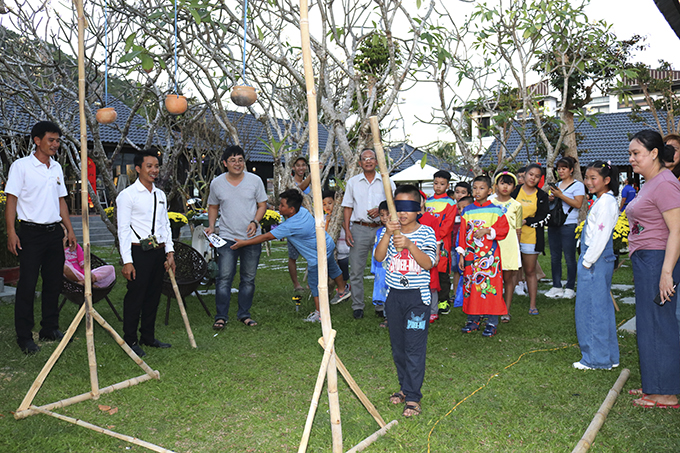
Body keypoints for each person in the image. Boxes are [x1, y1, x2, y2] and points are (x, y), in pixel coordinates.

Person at [5, 121, 77, 354]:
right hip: (30, 233)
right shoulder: (21, 166)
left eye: (58, 141)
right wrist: (12, 232)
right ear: (37, 140)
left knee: (53, 282)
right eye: (51, 140)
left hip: (53, 233)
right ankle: (24, 336)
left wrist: (70, 229)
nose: (55, 144)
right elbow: (12, 200)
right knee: (27, 284)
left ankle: (50, 328)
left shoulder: (55, 168)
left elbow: (61, 201)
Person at [231, 189, 350, 322]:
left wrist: (244, 243)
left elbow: (266, 237)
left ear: (291, 209)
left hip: (316, 256)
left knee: (314, 283)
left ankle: (320, 314)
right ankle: (342, 289)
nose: (279, 207)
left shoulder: (290, 225)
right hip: (328, 245)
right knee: (333, 268)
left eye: (282, 205)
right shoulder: (303, 212)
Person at [626, 130, 680, 408]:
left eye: (636, 153)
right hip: (646, 258)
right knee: (648, 324)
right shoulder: (651, 182)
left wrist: (667, 272)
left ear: (655, 153)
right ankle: (654, 384)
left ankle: (666, 393)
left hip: (658, 259)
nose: (632, 158)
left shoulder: (665, 183)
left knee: (660, 323)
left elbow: (677, 230)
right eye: (631, 153)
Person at [374, 184, 437, 418]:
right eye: (397, 207)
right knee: (399, 347)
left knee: (414, 347)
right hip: (394, 297)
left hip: (417, 298)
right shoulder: (386, 232)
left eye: (408, 207)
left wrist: (410, 245)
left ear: (418, 209)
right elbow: (379, 258)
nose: (402, 213)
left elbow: (429, 264)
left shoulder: (426, 232)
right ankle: (404, 387)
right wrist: (389, 234)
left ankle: (412, 397)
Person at [116, 149, 176, 357]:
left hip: (157, 251)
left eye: (157, 166)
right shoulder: (127, 196)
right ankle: (130, 339)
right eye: (149, 166)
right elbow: (122, 229)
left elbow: (164, 224)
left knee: (153, 295)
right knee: (136, 296)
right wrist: (127, 261)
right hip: (137, 251)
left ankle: (147, 336)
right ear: (138, 169)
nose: (154, 170)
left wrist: (170, 251)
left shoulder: (160, 195)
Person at [206, 145, 267, 329]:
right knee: (224, 277)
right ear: (225, 163)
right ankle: (221, 316)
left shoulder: (255, 181)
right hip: (226, 237)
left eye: (240, 159)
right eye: (232, 160)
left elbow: (262, 205)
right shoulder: (217, 183)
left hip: (251, 238)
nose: (237, 163)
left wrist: (255, 222)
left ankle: (244, 314)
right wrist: (211, 226)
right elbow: (213, 206)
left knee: (248, 278)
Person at [573, 161, 620, 370]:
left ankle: (596, 359)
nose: (588, 182)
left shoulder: (606, 203)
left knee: (591, 309)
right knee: (602, 307)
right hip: (597, 259)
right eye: (587, 177)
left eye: (594, 178)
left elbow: (600, 236)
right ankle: (609, 355)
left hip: (594, 260)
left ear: (606, 180)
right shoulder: (602, 200)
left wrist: (586, 261)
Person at [342, 148, 395, 319]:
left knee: (384, 268)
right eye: (364, 159)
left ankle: (382, 305)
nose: (368, 161)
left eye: (371, 158)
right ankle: (358, 305)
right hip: (359, 228)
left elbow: (394, 203)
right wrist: (347, 229)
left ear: (377, 162)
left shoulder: (387, 181)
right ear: (360, 163)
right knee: (356, 269)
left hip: (383, 229)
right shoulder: (353, 182)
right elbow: (347, 206)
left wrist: (381, 209)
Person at [457, 175, 509, 337]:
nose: (477, 191)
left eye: (482, 188)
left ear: (489, 190)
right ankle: (473, 319)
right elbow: (462, 233)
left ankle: (492, 322)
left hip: (490, 258)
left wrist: (487, 231)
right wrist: (461, 255)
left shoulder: (496, 210)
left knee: (490, 287)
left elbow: (503, 229)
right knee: (471, 286)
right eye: (475, 188)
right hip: (471, 256)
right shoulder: (467, 210)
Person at [512, 163, 549, 315]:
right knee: (511, 271)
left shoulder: (541, 196)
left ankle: (533, 304)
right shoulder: (514, 191)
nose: (533, 178)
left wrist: (527, 221)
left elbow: (545, 216)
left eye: (537, 176)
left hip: (531, 238)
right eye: (530, 174)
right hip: (512, 237)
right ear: (524, 175)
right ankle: (506, 304)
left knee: (530, 271)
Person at [546, 156, 585, 299]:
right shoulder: (557, 184)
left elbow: (578, 204)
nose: (560, 171)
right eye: (559, 169)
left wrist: (560, 195)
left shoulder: (578, 185)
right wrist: (553, 197)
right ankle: (556, 285)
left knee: (569, 257)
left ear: (571, 170)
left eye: (564, 169)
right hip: (554, 223)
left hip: (569, 223)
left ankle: (570, 287)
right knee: (555, 256)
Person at [491, 171, 522, 323]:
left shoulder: (517, 205)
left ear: (514, 187)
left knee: (508, 278)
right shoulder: (490, 203)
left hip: (509, 244)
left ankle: (506, 310)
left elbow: (518, 229)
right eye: (502, 183)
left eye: (509, 184)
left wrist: (517, 250)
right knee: (491, 278)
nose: (505, 186)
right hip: (493, 243)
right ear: (496, 185)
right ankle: (490, 308)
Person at [425, 170, 456, 313]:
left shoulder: (450, 203)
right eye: (436, 183)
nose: (438, 186)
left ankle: (443, 301)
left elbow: (448, 225)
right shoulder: (427, 201)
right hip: (427, 240)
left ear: (448, 185)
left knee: (442, 272)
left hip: (442, 242)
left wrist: (436, 235)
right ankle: (429, 300)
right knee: (428, 270)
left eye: (442, 184)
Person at [445, 181, 472, 314]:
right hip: (454, 243)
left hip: (468, 245)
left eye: (463, 192)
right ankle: (455, 294)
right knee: (456, 269)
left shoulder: (470, 209)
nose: (459, 195)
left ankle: (468, 295)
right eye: (457, 192)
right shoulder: (453, 209)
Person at [288, 157, 312, 292]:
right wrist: (312, 175)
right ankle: (296, 284)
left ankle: (310, 282)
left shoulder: (311, 183)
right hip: (294, 225)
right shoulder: (291, 183)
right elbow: (299, 191)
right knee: (293, 256)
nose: (301, 168)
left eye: (304, 165)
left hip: (308, 223)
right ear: (293, 168)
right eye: (298, 165)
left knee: (312, 254)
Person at [323, 190, 351, 300]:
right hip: (332, 250)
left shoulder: (343, 216)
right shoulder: (324, 218)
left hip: (344, 249)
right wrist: (328, 222)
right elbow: (325, 233)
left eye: (330, 203)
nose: (327, 206)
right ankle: (342, 289)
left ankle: (344, 288)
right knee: (335, 271)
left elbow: (347, 229)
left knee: (343, 270)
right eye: (324, 204)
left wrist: (340, 221)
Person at [372, 202, 390, 328]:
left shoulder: (399, 230)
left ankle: (392, 317)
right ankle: (387, 317)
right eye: (381, 215)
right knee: (384, 292)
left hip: (393, 268)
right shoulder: (379, 231)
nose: (384, 218)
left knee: (392, 292)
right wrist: (375, 268)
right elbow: (376, 249)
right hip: (382, 268)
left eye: (387, 214)